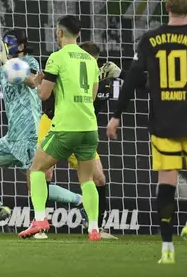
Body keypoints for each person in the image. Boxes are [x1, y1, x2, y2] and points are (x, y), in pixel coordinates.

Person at [107, 0, 187, 264]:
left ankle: (167, 248)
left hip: (163, 124)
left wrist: (116, 114)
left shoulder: (149, 40)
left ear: (167, 7)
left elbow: (132, 79)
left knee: (166, 184)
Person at [0, 28, 83, 234]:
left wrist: (9, 64)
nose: (4, 46)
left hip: (30, 136)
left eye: (7, 42)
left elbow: (33, 81)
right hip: (12, 138)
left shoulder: (30, 62)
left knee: (35, 186)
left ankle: (77, 203)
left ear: (20, 46)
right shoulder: (5, 68)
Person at [18, 15, 102, 241]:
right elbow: (92, 97)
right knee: (86, 179)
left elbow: (43, 94)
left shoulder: (56, 58)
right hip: (89, 127)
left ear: (59, 33)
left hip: (66, 126)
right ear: (79, 34)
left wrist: (37, 83)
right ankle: (94, 228)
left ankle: (40, 219)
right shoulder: (91, 60)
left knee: (36, 170)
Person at [37, 40, 121, 239]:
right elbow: (49, 97)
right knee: (43, 172)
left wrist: (115, 76)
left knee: (99, 178)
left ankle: (95, 227)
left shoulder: (100, 80)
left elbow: (92, 107)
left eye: (94, 63)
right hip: (53, 123)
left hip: (81, 129)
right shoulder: (63, 69)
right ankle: (39, 225)